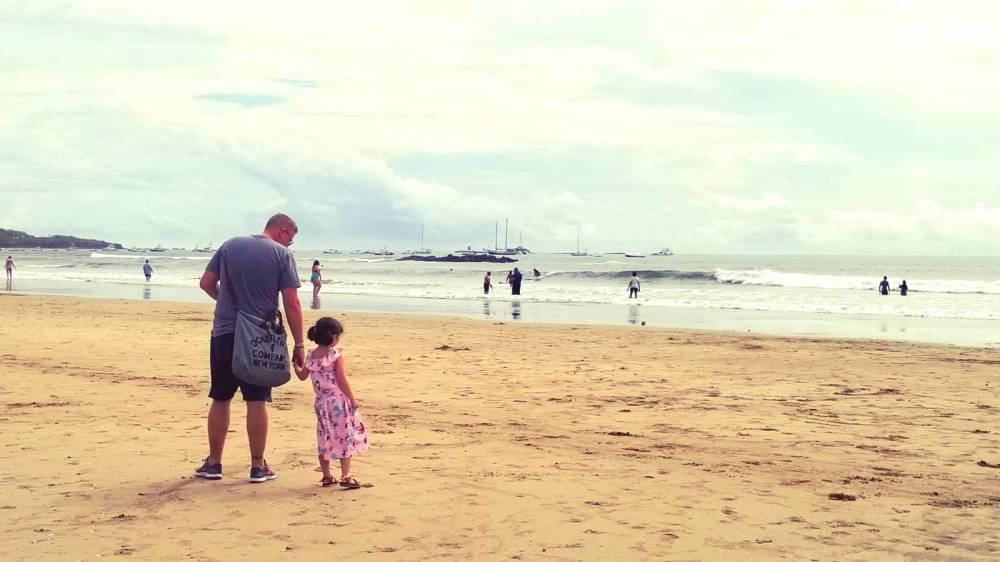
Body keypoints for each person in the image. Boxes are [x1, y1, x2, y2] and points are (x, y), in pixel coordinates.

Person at [194, 213, 305, 484]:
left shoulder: (230, 245)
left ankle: (214, 463)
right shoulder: (281, 255)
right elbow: (292, 302)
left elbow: (206, 283)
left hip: (225, 331)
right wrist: (299, 342)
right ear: (282, 230)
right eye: (291, 237)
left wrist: (225, 302)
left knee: (221, 397)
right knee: (256, 400)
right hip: (260, 334)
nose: (290, 243)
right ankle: (257, 466)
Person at [294, 316, 369, 488]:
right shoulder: (335, 356)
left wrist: (296, 366)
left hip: (321, 402)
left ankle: (327, 476)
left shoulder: (311, 356)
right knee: (343, 435)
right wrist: (353, 399)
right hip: (338, 401)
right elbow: (342, 380)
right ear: (333, 337)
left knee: (324, 435)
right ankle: (346, 475)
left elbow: (302, 376)